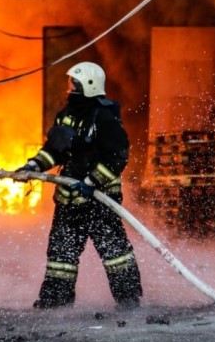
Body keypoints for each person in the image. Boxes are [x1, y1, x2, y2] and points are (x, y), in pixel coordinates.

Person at [16, 61, 143, 310]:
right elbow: (55, 151)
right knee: (61, 254)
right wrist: (33, 166)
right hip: (69, 200)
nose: (69, 87)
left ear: (88, 85)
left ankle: (128, 300)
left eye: (73, 83)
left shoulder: (104, 119)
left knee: (115, 252)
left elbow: (118, 157)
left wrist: (90, 182)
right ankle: (56, 300)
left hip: (100, 200)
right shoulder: (67, 116)